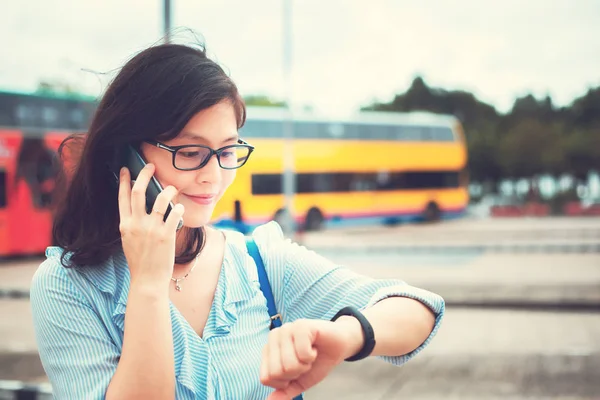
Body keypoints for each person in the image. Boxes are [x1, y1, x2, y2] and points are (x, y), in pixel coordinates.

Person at [30, 41, 445, 400]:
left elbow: (419, 310)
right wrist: (148, 287)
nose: (213, 176)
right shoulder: (68, 286)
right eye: (190, 153)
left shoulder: (257, 260)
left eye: (227, 152)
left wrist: (344, 335)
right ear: (126, 155)